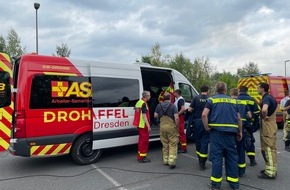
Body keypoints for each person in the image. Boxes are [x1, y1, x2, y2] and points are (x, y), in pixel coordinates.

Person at [202, 82, 242, 190]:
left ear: (216, 90)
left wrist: (207, 128)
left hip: (216, 134)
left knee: (217, 158)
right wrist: (240, 131)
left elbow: (204, 115)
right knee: (232, 158)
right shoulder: (233, 101)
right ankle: (234, 184)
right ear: (225, 90)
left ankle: (215, 185)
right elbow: (238, 118)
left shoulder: (211, 100)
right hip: (230, 134)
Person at [257, 82, 278, 179]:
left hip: (267, 126)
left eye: (258, 87)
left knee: (268, 148)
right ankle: (272, 168)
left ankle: (269, 172)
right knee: (272, 148)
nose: (257, 89)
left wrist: (264, 117)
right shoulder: (271, 97)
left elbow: (264, 109)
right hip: (272, 125)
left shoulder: (266, 98)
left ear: (262, 89)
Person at [154, 92, 179, 169]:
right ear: (170, 98)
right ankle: (171, 162)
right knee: (172, 143)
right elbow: (176, 117)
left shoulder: (159, 105)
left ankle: (165, 161)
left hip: (162, 127)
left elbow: (155, 115)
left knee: (165, 144)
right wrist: (176, 125)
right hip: (171, 127)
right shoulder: (173, 106)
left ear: (163, 98)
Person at [230, 88, 252, 177]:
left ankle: (233, 169)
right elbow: (249, 115)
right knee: (241, 149)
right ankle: (241, 170)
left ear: (231, 94)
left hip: (232, 128)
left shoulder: (229, 102)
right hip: (242, 128)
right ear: (238, 94)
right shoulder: (243, 102)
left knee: (231, 150)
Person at [188, 85, 209, 170]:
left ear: (200, 90)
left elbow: (189, 109)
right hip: (207, 121)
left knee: (198, 140)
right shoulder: (209, 99)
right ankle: (203, 163)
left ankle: (199, 160)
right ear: (207, 90)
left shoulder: (196, 98)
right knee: (205, 141)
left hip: (197, 122)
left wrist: (194, 110)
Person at [238, 86, 260, 166]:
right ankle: (252, 159)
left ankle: (239, 160)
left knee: (239, 142)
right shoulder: (252, 100)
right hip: (248, 124)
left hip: (239, 124)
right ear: (247, 91)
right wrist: (254, 125)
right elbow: (257, 113)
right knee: (249, 141)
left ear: (239, 90)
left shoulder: (236, 99)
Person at [133, 91, 151, 163]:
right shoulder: (143, 103)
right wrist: (148, 125)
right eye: (149, 96)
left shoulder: (139, 102)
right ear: (146, 96)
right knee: (144, 142)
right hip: (143, 125)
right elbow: (144, 116)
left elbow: (135, 109)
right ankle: (142, 157)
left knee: (141, 141)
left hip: (139, 124)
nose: (150, 97)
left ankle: (140, 155)